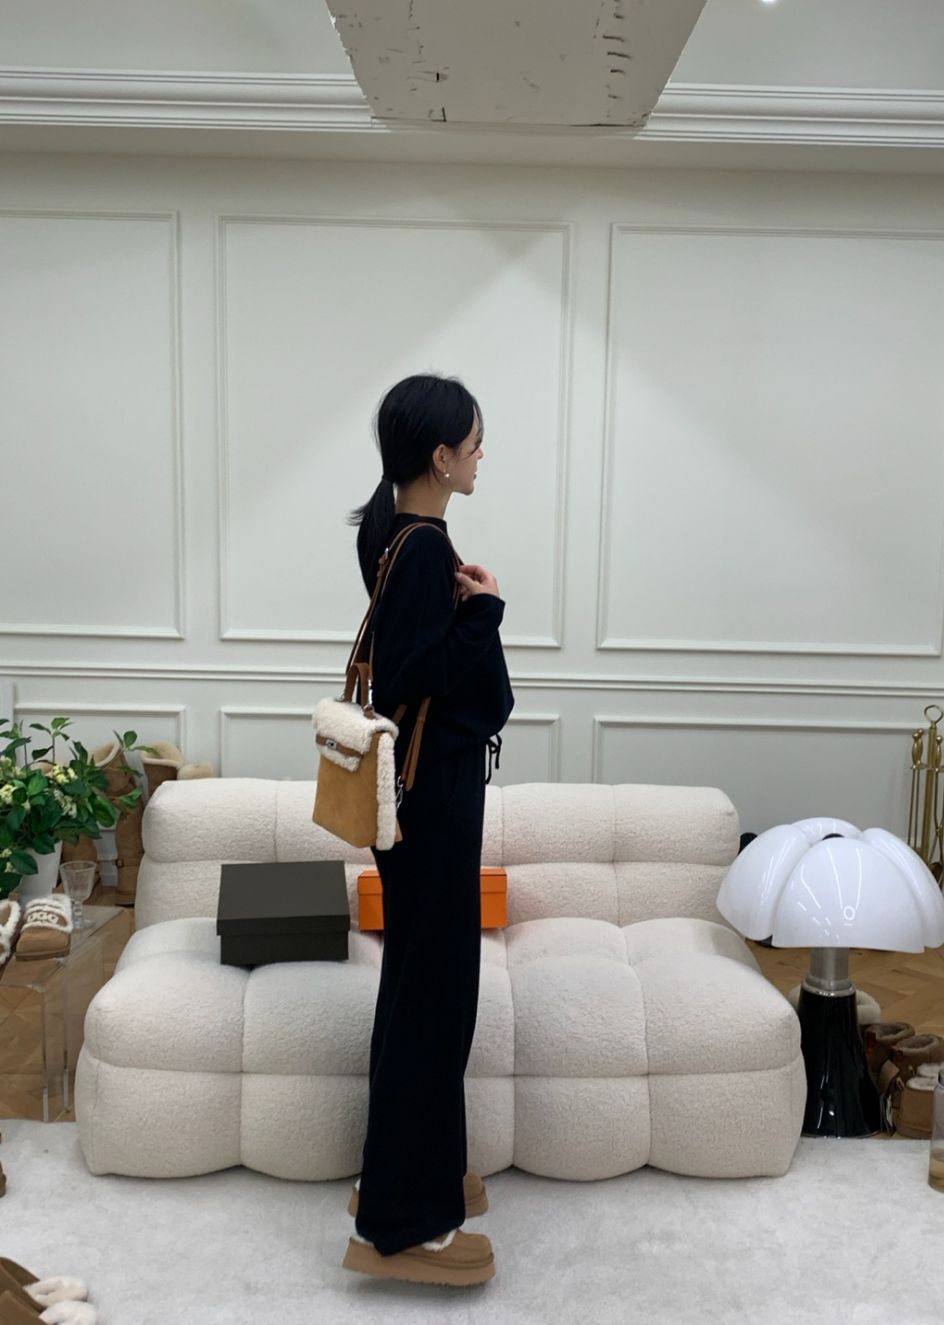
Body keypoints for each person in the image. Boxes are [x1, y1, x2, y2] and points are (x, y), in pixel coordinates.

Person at [341, 373, 515, 1288]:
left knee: (419, 989)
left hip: (418, 804)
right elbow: (414, 672)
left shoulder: (395, 533)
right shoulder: (420, 548)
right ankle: (403, 1222)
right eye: (475, 443)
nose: (483, 456)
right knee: (433, 1000)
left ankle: (403, 1180)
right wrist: (483, 611)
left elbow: (410, 664)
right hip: (433, 805)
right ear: (441, 457)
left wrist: (467, 607)